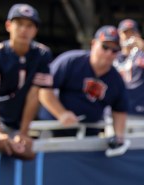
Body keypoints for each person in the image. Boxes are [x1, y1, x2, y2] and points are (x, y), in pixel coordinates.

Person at [0, 4, 63, 160]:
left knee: (33, 152)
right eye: (19, 24)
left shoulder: (42, 54)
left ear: (35, 30)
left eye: (29, 25)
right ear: (9, 25)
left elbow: (34, 95)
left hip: (19, 122)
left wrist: (23, 132)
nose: (24, 29)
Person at [38, 25, 130, 157]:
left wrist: (119, 136)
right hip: (56, 128)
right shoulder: (70, 61)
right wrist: (61, 113)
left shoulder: (116, 80)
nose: (109, 53)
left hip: (89, 134)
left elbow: (120, 109)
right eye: (105, 47)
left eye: (115, 50)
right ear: (93, 44)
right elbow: (44, 90)